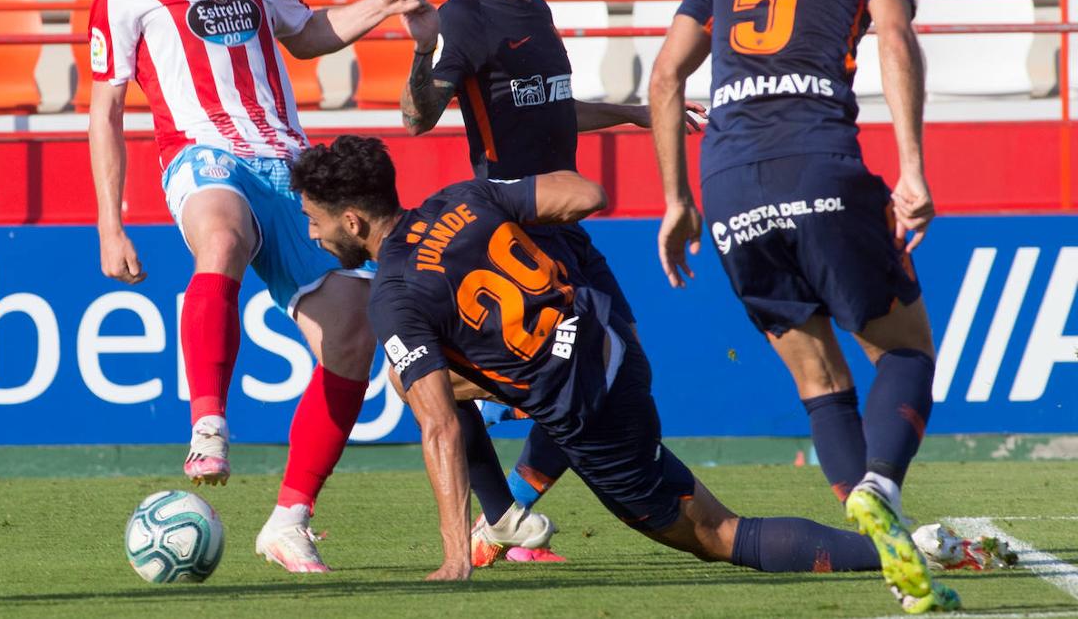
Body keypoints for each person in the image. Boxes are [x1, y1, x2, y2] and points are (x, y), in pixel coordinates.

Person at [290, 136, 932, 610]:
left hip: (592, 412)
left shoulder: (392, 294)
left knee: (716, 534)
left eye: (316, 223)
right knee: (426, 377)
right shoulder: (464, 197)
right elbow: (587, 195)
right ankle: (507, 510)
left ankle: (903, 550)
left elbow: (439, 431)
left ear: (352, 221)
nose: (314, 237)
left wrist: (456, 553)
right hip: (609, 341)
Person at [87, 0, 426, 573]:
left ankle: (289, 519)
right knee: (221, 233)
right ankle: (208, 420)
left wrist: (383, 2)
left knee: (354, 332)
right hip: (203, 157)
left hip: (288, 166)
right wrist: (110, 222)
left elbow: (305, 34)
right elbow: (106, 108)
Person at [647, 0, 969, 609]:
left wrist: (674, 198)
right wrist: (913, 167)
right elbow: (893, 38)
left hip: (726, 187)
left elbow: (665, 76)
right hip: (817, 165)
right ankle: (881, 489)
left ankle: (892, 557)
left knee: (819, 381)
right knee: (907, 348)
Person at [396, 0, 706, 566]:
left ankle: (504, 513)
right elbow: (417, 118)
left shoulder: (534, 11)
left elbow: (550, 109)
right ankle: (498, 502)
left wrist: (634, 112)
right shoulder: (466, 20)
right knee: (584, 382)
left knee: (618, 370)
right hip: (518, 239)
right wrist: (421, 54)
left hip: (566, 233)